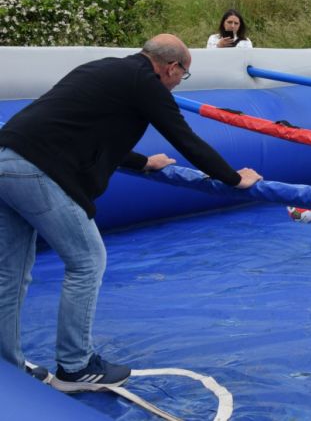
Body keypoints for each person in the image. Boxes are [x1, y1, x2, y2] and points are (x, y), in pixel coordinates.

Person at [0, 34, 262, 392]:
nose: (175, 85)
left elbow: (87, 130)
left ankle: (8, 369)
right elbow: (186, 138)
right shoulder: (146, 84)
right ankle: (75, 368)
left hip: (7, 159)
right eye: (181, 77)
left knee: (11, 275)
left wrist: (143, 162)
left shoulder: (107, 69)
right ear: (171, 68)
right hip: (36, 169)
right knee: (87, 260)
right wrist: (235, 179)